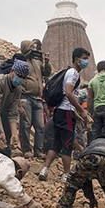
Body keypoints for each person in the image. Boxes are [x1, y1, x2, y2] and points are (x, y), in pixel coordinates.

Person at [38, 47, 92, 182]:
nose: (86, 62)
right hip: (66, 113)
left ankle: (44, 169)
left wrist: (77, 114)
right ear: (77, 59)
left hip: (60, 112)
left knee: (56, 143)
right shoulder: (73, 73)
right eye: (84, 59)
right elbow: (68, 92)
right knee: (67, 143)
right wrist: (82, 110)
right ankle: (66, 174)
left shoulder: (68, 72)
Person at [18, 40, 50, 157]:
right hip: (25, 97)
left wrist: (46, 62)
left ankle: (39, 151)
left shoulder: (37, 62)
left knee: (40, 126)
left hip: (38, 98)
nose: (34, 50)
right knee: (26, 125)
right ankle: (26, 150)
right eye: (31, 47)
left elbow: (46, 73)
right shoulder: (21, 62)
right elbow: (17, 81)